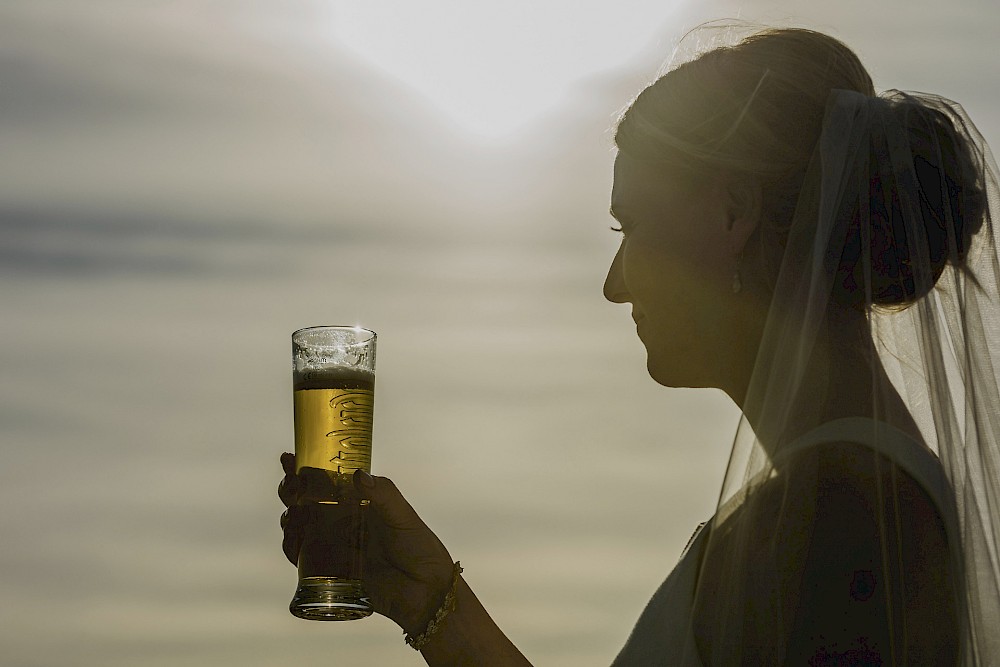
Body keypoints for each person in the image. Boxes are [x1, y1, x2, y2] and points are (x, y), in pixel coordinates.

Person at [279, 25, 1000, 665]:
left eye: (631, 227)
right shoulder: (840, 491)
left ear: (732, 213)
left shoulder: (835, 517)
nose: (614, 285)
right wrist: (434, 601)